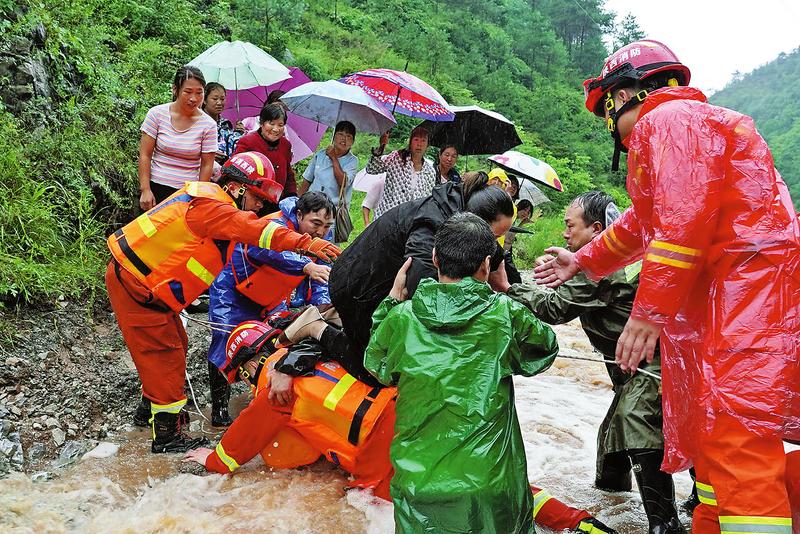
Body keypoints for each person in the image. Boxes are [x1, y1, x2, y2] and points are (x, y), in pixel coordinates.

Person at [537, 39, 800, 532]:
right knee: (713, 437)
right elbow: (643, 222)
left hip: (744, 304)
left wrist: (647, 313)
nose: (609, 124)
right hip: (734, 304)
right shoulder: (691, 125)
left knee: (735, 435)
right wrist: (584, 260)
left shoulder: (668, 122)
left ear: (623, 95)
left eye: (607, 109)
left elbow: (681, 224)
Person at [183, 315, 618, 534]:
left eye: (243, 372)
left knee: (404, 503)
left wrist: (213, 460)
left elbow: (240, 442)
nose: (245, 381)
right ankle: (578, 521)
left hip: (385, 439)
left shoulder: (275, 389)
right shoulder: (312, 354)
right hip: (414, 405)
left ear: (252, 361)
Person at [106, 151, 340, 454]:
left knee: (175, 344)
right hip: (140, 288)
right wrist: (306, 246)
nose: (260, 205)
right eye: (256, 197)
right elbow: (257, 232)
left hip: (144, 286)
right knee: (166, 356)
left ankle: (147, 410)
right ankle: (166, 437)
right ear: (237, 188)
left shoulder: (208, 201)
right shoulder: (215, 209)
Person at [495, 191, 683, 533]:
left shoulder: (600, 266)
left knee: (634, 421)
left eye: (571, 226)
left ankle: (665, 523)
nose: (565, 233)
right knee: (612, 445)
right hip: (644, 368)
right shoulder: (613, 257)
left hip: (655, 367)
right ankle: (619, 511)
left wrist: (508, 287)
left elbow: (555, 308)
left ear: (596, 230)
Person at [363, 213, 557, 533]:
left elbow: (377, 363)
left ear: (435, 259)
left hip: (418, 484)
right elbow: (545, 348)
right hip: (491, 484)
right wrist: (505, 294)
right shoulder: (505, 314)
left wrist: (391, 303)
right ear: (486, 265)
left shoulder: (401, 318)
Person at [279, 172, 515, 387]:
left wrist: (506, 285)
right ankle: (316, 326)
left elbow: (492, 253)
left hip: (383, 281)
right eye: (494, 235)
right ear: (476, 222)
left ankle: (336, 319)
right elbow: (421, 287)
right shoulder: (431, 225)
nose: (495, 242)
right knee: (377, 370)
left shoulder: (462, 209)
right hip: (358, 286)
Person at [204, 191, 335, 426]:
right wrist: (305, 265)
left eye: (327, 226)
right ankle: (219, 410)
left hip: (272, 295)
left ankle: (263, 398)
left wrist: (322, 309)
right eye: (315, 224)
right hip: (233, 290)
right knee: (225, 341)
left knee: (275, 341)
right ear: (299, 215)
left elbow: (322, 276)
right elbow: (263, 250)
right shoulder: (274, 224)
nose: (321, 231)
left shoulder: (322, 239)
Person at [138, 65, 217, 210]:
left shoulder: (209, 125)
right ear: (175, 90)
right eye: (188, 92)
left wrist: (199, 198)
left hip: (186, 194)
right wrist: (145, 190)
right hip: (155, 189)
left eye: (199, 93)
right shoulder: (156, 114)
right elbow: (145, 155)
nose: (193, 98)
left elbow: (207, 165)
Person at [298, 121, 359, 240]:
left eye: (349, 136)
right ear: (334, 136)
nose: (344, 139)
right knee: (304, 240)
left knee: (325, 245)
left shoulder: (352, 161)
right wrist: (297, 201)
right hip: (310, 207)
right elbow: (307, 180)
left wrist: (334, 158)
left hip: (332, 213)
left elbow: (343, 182)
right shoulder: (320, 155)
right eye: (341, 134)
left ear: (352, 142)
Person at [233, 103, 297, 207]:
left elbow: (288, 173)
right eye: (271, 124)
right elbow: (235, 173)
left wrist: (291, 197)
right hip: (251, 202)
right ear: (262, 123)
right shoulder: (247, 142)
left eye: (280, 125)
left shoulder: (285, 145)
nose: (276, 129)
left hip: (277, 202)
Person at [367, 125, 436, 218]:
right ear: (410, 142)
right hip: (387, 217)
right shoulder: (396, 158)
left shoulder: (430, 171)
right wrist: (380, 149)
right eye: (416, 140)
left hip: (410, 221)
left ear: (427, 145)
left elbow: (426, 202)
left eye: (423, 141)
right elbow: (372, 169)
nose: (419, 144)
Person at [201, 82, 244, 164]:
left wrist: (239, 133)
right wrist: (207, 154)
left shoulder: (226, 124)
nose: (219, 103)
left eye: (222, 99)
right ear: (204, 100)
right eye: (215, 99)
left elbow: (232, 147)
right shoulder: (198, 123)